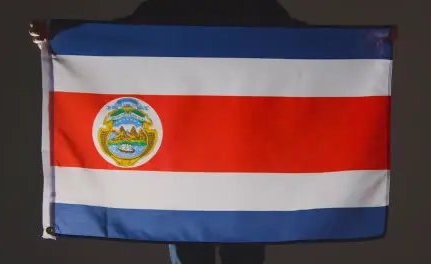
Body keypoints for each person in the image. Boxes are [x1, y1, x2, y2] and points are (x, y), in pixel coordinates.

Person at [30, 1, 307, 263]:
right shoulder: (174, 4)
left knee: (240, 249)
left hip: (240, 157)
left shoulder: (253, 5)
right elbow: (119, 37)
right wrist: (58, 35)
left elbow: (304, 41)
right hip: (188, 159)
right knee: (196, 247)